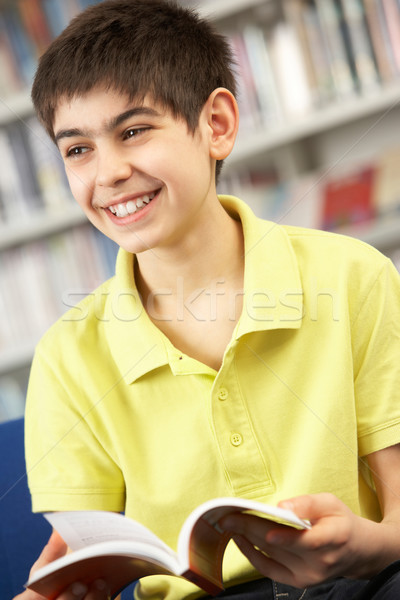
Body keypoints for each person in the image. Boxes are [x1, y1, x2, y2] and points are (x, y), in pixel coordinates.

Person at [14, 1, 400, 599]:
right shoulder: (66, 359)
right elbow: (79, 558)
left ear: (216, 125)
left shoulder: (353, 278)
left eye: (134, 131)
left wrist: (364, 544)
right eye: (78, 149)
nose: (108, 171)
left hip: (364, 580)